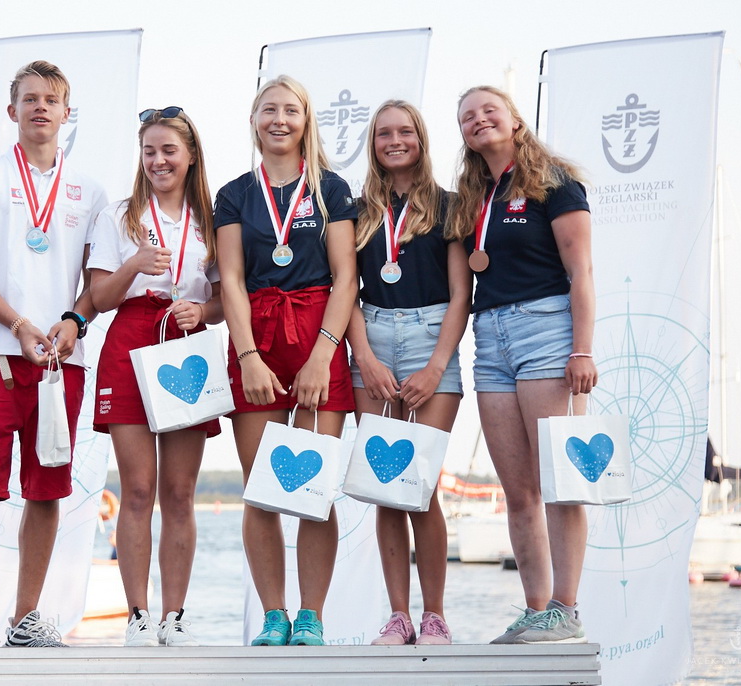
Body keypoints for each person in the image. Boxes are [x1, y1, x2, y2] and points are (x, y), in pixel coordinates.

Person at [0, 60, 107, 649]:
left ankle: (26, 617)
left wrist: (74, 322)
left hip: (61, 363)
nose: (40, 107)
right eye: (30, 98)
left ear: (67, 113)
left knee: (46, 488)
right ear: (12, 110)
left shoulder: (89, 190)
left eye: (51, 99)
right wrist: (18, 325)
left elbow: (96, 281)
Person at [448, 85, 597, 644]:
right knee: (518, 491)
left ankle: (567, 607)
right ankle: (537, 610)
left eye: (489, 110)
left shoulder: (554, 182)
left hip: (546, 331)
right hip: (490, 339)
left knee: (558, 481)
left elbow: (582, 271)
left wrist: (582, 349)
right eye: (467, 117)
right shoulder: (473, 195)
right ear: (464, 135)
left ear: (515, 120)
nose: (479, 120)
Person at [215, 75, 358, 647]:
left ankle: (312, 617)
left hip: (318, 333)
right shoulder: (234, 194)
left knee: (313, 487)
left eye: (290, 110)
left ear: (306, 120)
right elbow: (230, 279)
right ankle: (275, 615)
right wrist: (248, 356)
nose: (279, 119)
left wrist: (323, 355)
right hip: (257, 335)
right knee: (262, 488)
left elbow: (346, 278)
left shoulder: (332, 188)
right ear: (253, 120)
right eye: (268, 109)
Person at [88, 106, 223, 647]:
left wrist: (203, 311)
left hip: (187, 342)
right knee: (138, 488)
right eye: (149, 151)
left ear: (190, 156)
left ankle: (175, 616)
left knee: (180, 492)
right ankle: (138, 616)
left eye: (169, 150)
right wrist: (134, 264)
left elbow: (225, 299)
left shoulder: (212, 217)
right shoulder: (119, 216)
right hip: (131, 338)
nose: (158, 160)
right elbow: (99, 297)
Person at [345, 100, 469, 646]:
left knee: (421, 484)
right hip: (371, 337)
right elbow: (344, 290)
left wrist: (436, 365)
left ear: (421, 138)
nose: (395, 141)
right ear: (372, 144)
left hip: (431, 337)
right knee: (386, 486)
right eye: (384, 134)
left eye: (405, 132)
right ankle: (398, 616)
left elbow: (462, 293)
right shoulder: (355, 211)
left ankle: (434, 616)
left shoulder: (450, 206)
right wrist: (365, 358)